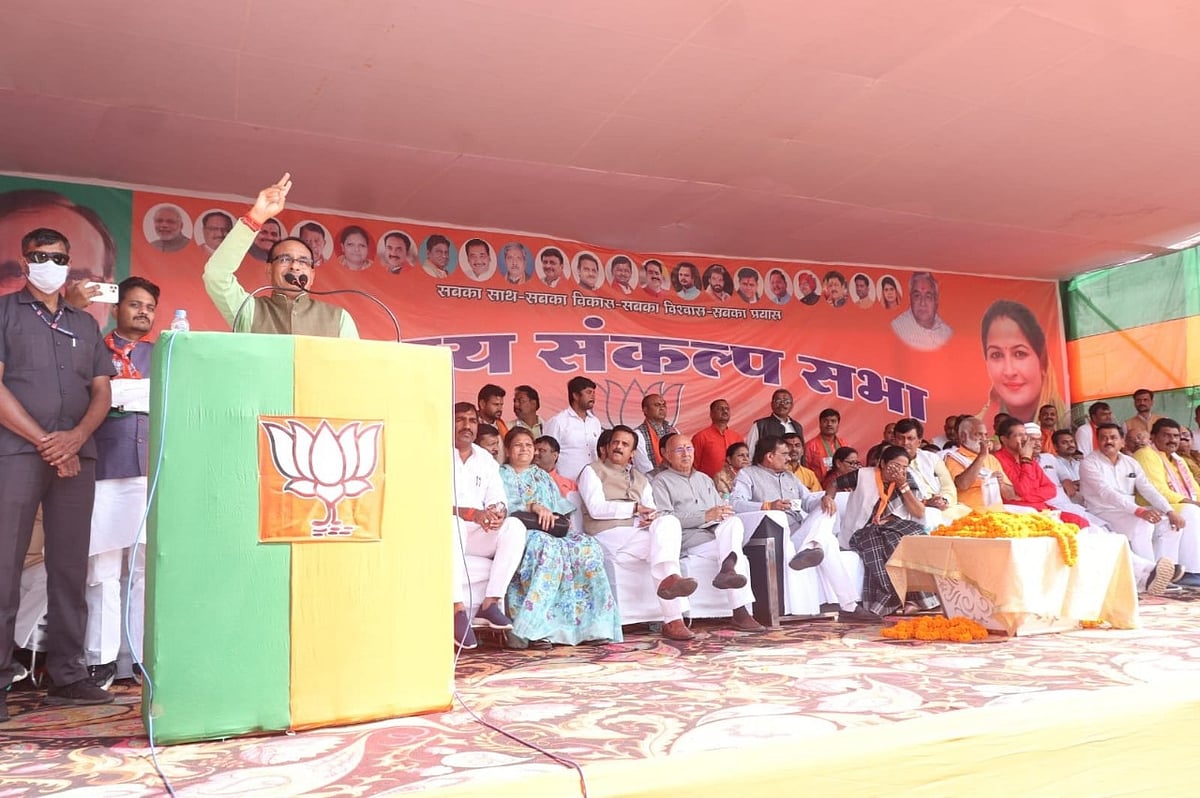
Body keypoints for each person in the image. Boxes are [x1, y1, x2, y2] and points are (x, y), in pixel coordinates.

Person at [0, 227, 117, 719]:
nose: (50, 262)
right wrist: (48, 443)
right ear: (25, 261)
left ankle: (68, 675)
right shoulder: (4, 311)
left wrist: (73, 439)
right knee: (4, 567)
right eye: (40, 255)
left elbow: (102, 391)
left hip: (77, 456)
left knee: (71, 567)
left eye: (59, 256)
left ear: (70, 263)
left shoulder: (86, 324)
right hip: (18, 453)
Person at [84, 277, 159, 689]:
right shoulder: (95, 348)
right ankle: (102, 659)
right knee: (104, 569)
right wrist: (125, 395)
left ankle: (138, 659)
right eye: (134, 304)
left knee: (143, 571)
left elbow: (165, 398)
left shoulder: (162, 354)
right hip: (105, 468)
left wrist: (119, 395)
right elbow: (90, 397)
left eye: (149, 306)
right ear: (117, 309)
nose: (142, 312)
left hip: (148, 471)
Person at [732, 436, 879, 623]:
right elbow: (735, 503)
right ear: (769, 456)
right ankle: (848, 605)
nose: (789, 457)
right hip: (776, 536)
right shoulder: (748, 474)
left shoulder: (790, 477)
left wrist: (825, 499)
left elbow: (808, 501)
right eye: (784, 454)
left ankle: (811, 547)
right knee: (828, 542)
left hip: (801, 532)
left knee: (827, 509)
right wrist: (768, 505)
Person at [499, 428, 620, 647]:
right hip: (520, 532)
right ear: (507, 450)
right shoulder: (501, 474)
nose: (524, 449)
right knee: (547, 549)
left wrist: (555, 518)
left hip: (550, 531)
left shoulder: (542, 475)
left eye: (528, 445)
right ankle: (533, 630)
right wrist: (533, 506)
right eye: (518, 445)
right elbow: (500, 506)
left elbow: (560, 508)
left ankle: (592, 627)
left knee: (587, 546)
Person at [578, 425, 698, 641]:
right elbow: (596, 509)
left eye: (625, 444)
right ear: (607, 446)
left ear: (633, 453)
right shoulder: (592, 471)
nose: (618, 447)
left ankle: (671, 584)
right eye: (615, 442)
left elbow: (651, 507)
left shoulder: (641, 479)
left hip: (635, 531)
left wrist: (649, 517)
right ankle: (674, 619)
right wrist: (633, 510)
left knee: (668, 521)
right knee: (661, 552)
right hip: (607, 533)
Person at [201, 174, 359, 338]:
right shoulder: (249, 311)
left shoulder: (339, 318)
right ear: (269, 270)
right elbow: (216, 275)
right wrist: (256, 217)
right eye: (284, 259)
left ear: (312, 275)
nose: (295, 266)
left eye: (303, 261)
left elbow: (353, 363)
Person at [652, 434, 764, 632]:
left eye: (689, 448)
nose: (685, 454)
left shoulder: (704, 479)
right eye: (679, 450)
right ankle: (739, 610)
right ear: (666, 455)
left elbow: (719, 507)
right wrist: (704, 516)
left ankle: (727, 570)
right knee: (736, 555)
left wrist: (722, 513)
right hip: (690, 539)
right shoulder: (661, 481)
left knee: (734, 522)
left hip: (714, 535)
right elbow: (664, 518)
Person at [450, 403, 525, 649]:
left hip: (477, 532)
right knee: (453, 524)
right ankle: (456, 610)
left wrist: (497, 512)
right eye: (460, 420)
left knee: (515, 526)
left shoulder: (484, 459)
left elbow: (498, 497)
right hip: (445, 532)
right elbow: (426, 504)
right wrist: (471, 513)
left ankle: (490, 603)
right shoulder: (434, 454)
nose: (466, 426)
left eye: (472, 421)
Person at [1079, 422, 1182, 594]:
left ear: (1122, 442)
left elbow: (1148, 488)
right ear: (1097, 441)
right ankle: (1148, 577)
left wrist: (1170, 511)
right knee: (1142, 523)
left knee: (1170, 524)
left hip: (1128, 510)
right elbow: (1106, 493)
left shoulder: (1130, 462)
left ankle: (1165, 572)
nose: (1108, 441)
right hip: (1102, 511)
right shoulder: (1089, 463)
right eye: (1103, 438)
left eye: (1113, 437)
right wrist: (1139, 511)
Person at [839, 446, 935, 617]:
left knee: (915, 539)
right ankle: (895, 599)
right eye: (895, 465)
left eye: (904, 467)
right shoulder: (863, 475)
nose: (899, 470)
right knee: (888, 542)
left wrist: (902, 485)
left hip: (897, 526)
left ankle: (917, 599)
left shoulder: (907, 479)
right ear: (882, 463)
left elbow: (919, 512)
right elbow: (834, 484)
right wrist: (827, 498)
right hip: (863, 530)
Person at [1132, 419, 1200, 585]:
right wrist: (1192, 503)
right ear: (1153, 437)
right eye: (1167, 435)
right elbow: (1157, 491)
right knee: (1191, 511)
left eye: (1176, 436)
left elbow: (1195, 489)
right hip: (1151, 506)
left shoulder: (1178, 459)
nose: (1173, 440)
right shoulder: (1146, 454)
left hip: (1174, 504)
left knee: (1191, 509)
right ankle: (1190, 571)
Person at [977, 300, 1062, 423]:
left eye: (1019, 353)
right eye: (996, 355)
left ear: (1042, 362)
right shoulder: (979, 430)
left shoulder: (1067, 424)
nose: (1009, 371)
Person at [892, 418, 966, 528]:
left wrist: (943, 500)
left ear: (919, 441)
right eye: (900, 438)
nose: (905, 443)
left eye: (910, 438)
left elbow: (948, 486)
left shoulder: (932, 458)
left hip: (942, 507)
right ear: (894, 440)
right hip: (914, 511)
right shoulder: (889, 463)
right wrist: (926, 502)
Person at [943, 416, 1016, 512]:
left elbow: (1010, 495)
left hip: (997, 514)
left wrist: (1001, 483)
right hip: (969, 514)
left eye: (985, 435)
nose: (984, 439)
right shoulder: (952, 458)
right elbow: (962, 484)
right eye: (979, 434)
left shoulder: (991, 459)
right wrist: (981, 456)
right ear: (963, 437)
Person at [542, 376, 602, 481]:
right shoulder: (558, 422)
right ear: (575, 395)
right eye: (588, 392)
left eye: (593, 393)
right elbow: (546, 455)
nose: (593, 396)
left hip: (592, 483)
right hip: (565, 485)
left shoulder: (595, 422)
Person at [891, 272, 952, 351]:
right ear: (910, 299)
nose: (922, 303)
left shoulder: (947, 332)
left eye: (928, 296)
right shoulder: (897, 328)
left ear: (936, 300)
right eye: (917, 296)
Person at [745, 389, 805, 465]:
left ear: (792, 405)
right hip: (767, 471)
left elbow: (801, 454)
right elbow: (750, 453)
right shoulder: (760, 425)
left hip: (793, 473)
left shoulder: (797, 426)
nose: (782, 404)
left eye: (786, 402)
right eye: (778, 401)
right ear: (772, 404)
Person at [691, 399, 743, 479]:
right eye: (720, 409)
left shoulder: (737, 437)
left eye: (727, 409)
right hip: (707, 485)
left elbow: (742, 463)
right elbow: (694, 466)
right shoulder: (700, 437)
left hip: (734, 485)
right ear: (711, 414)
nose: (725, 411)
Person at [632, 393, 676, 474]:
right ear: (645, 410)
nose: (662, 408)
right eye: (657, 405)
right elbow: (644, 468)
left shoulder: (674, 431)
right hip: (651, 480)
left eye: (664, 405)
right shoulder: (638, 434)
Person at [803, 408, 846, 483]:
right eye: (825, 421)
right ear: (820, 424)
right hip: (819, 489)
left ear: (838, 424)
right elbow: (805, 471)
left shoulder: (844, 444)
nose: (829, 424)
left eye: (833, 421)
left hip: (842, 488)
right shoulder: (809, 446)